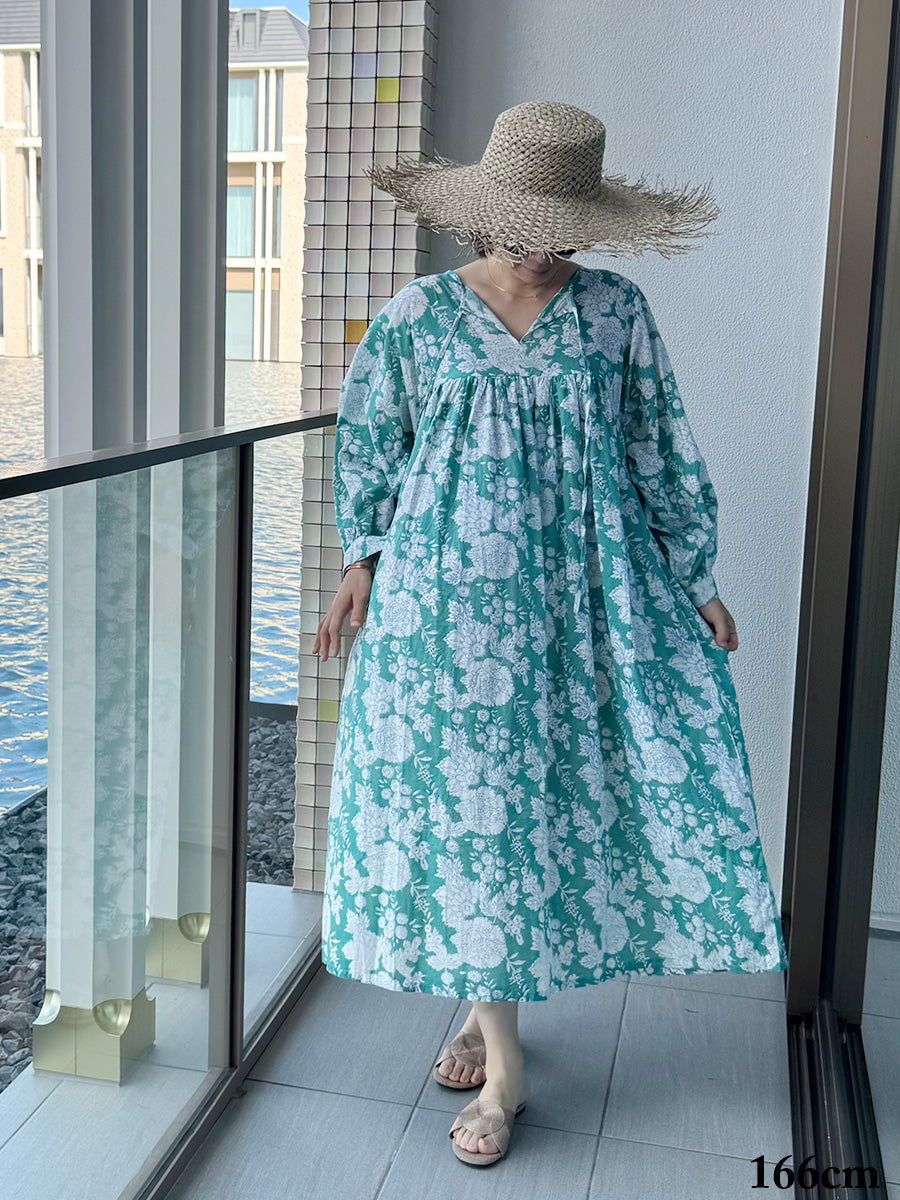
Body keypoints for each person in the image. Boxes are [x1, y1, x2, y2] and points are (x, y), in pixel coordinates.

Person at [312, 100, 788, 1167]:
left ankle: (487, 1026)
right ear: (487, 212)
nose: (542, 247)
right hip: (446, 608)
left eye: (562, 228)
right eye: (526, 225)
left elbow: (659, 444)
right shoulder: (420, 316)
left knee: (542, 810)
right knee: (475, 815)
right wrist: (360, 561)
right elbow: (371, 444)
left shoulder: (617, 312)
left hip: (581, 600)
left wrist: (696, 577)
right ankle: (507, 1067)